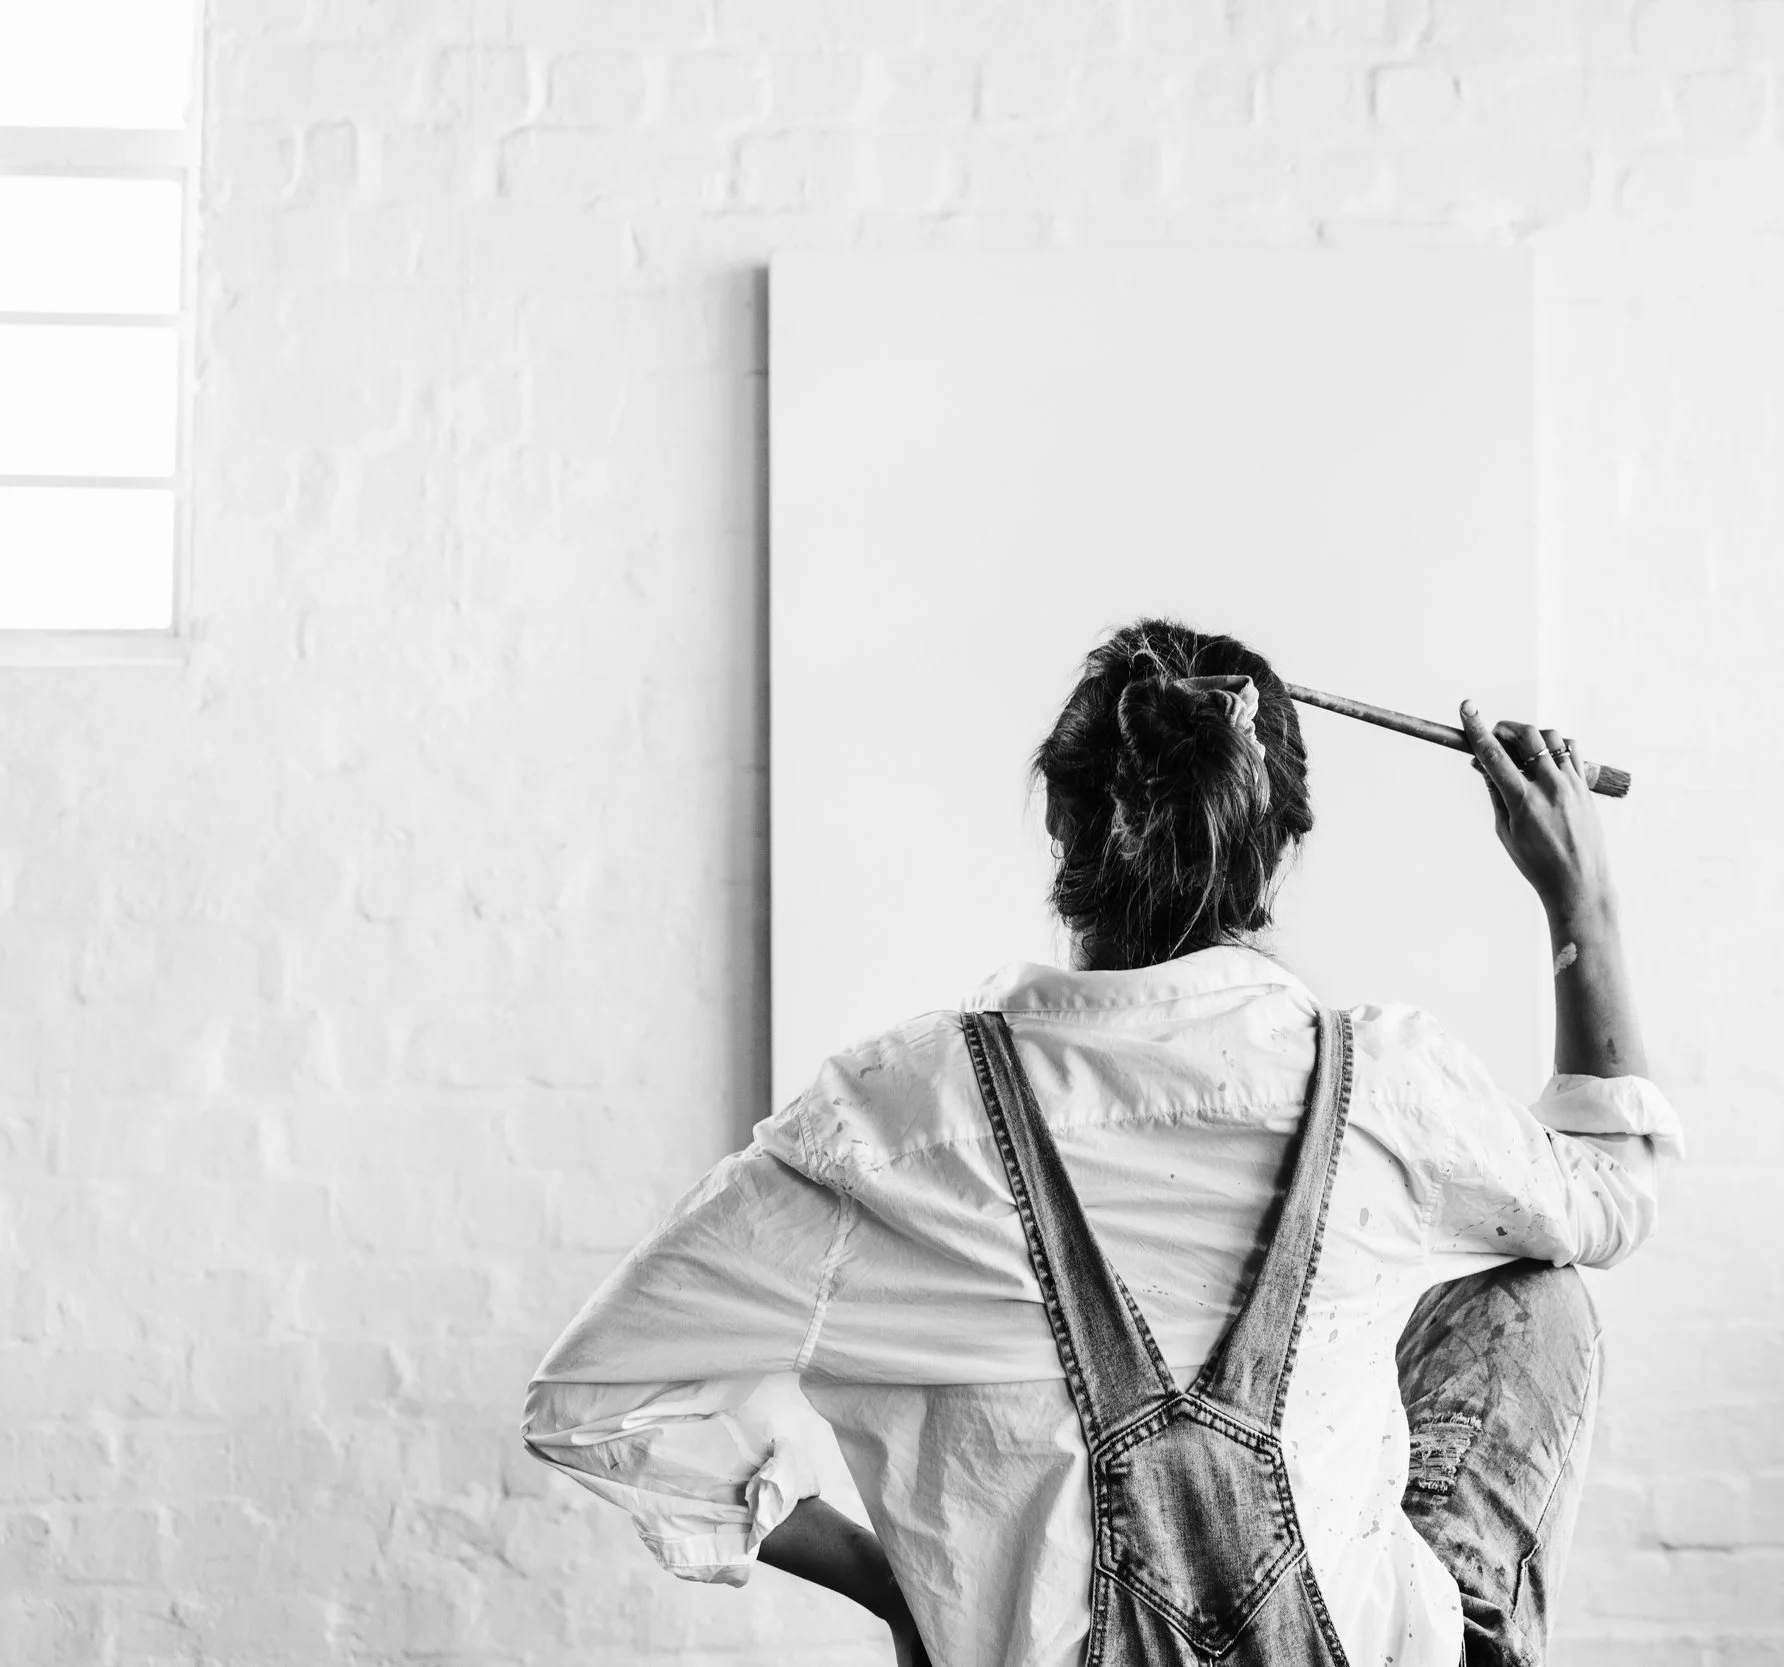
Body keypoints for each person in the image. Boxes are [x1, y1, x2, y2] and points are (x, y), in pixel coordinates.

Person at [521, 618, 1681, 1667]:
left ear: (1066, 829)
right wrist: (1581, 903)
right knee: (1531, 1288)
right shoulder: (1384, 1081)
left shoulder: (888, 1120)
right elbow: (1612, 1194)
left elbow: (589, 1396)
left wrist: (898, 1589)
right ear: (1277, 850)